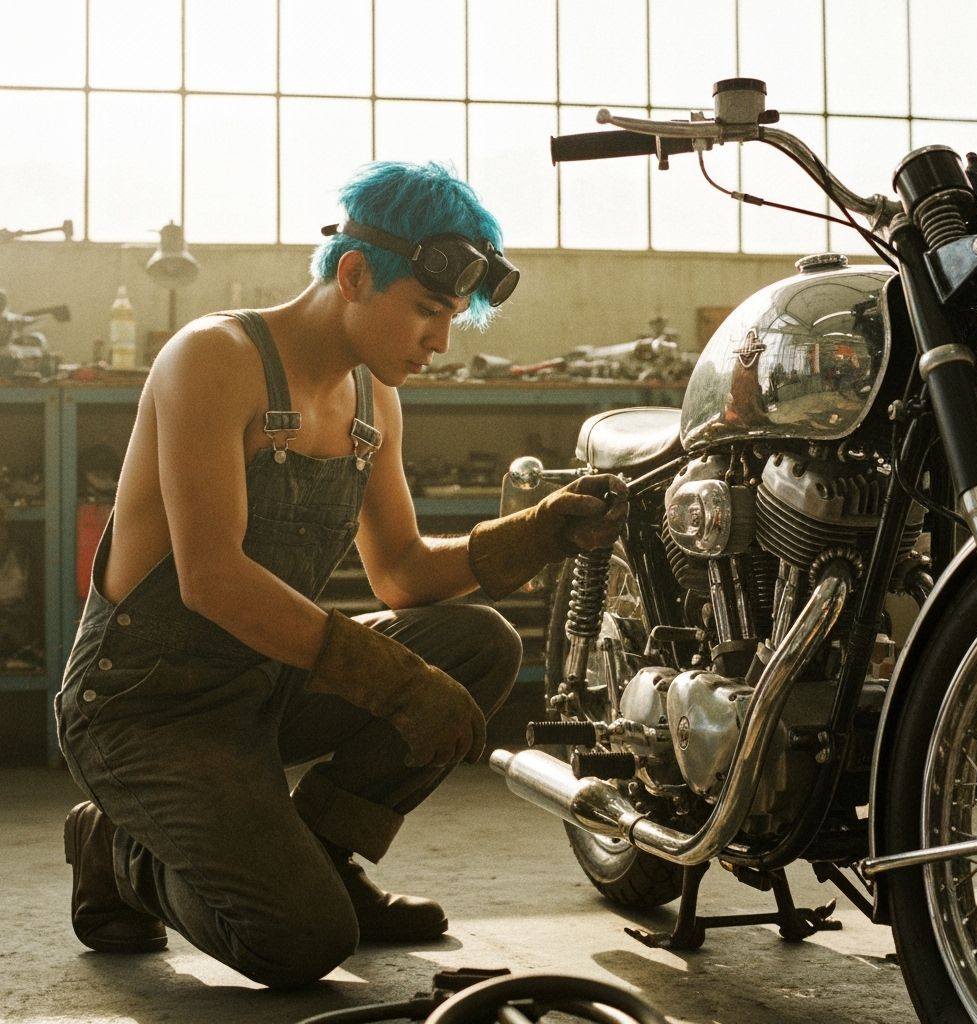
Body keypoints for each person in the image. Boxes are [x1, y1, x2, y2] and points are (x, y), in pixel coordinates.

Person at [55, 161, 627, 989]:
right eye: (428, 311)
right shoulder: (215, 359)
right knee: (298, 942)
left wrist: (539, 535)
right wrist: (392, 681)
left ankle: (323, 855)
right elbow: (211, 580)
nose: (438, 339)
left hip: (261, 682)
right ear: (355, 275)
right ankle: (116, 850)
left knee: (477, 646)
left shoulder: (371, 398)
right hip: (146, 707)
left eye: (451, 317)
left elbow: (399, 574)